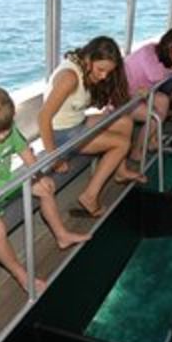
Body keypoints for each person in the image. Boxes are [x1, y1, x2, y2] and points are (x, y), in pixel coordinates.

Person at [0, 87, 90, 293]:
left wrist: (40, 176)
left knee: (44, 189)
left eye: (5, 130)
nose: (1, 136)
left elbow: (24, 151)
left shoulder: (9, 127)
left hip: (1, 179)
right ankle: (23, 277)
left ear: (12, 117)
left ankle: (62, 235)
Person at [39, 36, 146, 219]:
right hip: (61, 134)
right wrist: (54, 157)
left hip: (76, 122)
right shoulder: (70, 77)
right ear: (89, 58)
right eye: (101, 69)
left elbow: (113, 97)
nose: (104, 76)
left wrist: (136, 94)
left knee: (125, 122)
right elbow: (43, 118)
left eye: (108, 72)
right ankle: (89, 197)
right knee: (121, 144)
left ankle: (120, 171)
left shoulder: (85, 69)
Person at [124, 26, 172, 161]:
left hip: (139, 93)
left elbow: (161, 76)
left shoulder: (159, 54)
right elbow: (155, 76)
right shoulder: (148, 52)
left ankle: (151, 142)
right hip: (123, 98)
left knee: (163, 100)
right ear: (170, 43)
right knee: (154, 116)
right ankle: (136, 151)